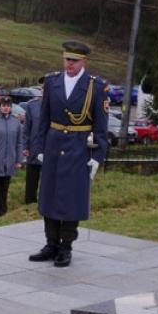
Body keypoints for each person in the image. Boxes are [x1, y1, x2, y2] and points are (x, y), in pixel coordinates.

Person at [29, 40, 109, 268]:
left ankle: (66, 246)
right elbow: (43, 119)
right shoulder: (52, 81)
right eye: (67, 59)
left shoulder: (96, 87)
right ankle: (50, 243)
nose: (70, 64)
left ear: (83, 61)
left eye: (74, 60)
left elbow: (101, 128)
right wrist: (40, 148)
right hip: (54, 145)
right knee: (50, 195)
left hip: (78, 147)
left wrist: (96, 158)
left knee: (71, 198)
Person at [22, 78, 44, 204]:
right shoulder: (32, 105)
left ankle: (44, 202)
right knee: (31, 177)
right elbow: (27, 127)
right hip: (34, 147)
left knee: (47, 179)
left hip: (49, 148)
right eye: (43, 88)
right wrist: (25, 146)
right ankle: (30, 201)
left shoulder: (57, 105)